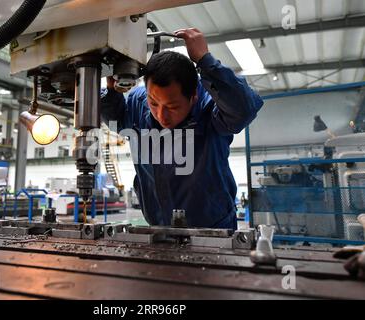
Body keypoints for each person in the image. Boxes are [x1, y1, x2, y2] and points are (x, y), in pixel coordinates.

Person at [101, 28, 263, 229]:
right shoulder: (138, 101)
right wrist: (110, 92)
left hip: (212, 229)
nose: (161, 115)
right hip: (158, 226)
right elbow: (116, 118)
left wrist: (206, 61)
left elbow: (244, 110)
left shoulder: (209, 106)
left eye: (173, 107)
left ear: (193, 96)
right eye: (153, 103)